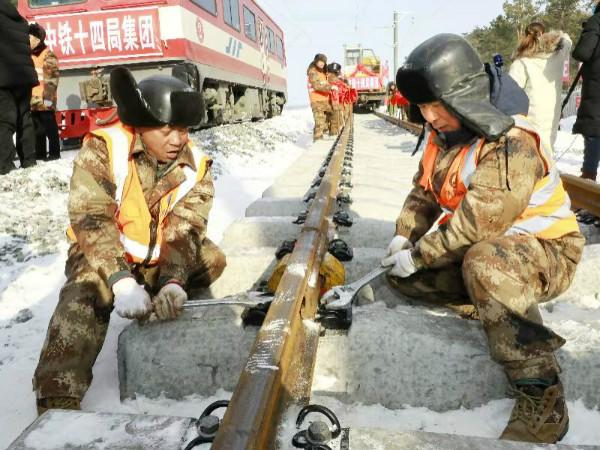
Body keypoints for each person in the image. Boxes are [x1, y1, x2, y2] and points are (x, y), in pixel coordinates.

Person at [388, 34, 583, 444]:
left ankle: (542, 393)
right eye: (421, 107)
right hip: (490, 248)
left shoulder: (513, 142)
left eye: (434, 106)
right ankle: (488, 297)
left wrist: (423, 252)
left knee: (483, 261)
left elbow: (480, 223)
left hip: (547, 251)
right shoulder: (447, 137)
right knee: (404, 279)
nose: (428, 117)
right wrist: (403, 238)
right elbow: (423, 192)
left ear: (464, 97)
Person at [33, 67, 226, 414]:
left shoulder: (196, 164)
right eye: (167, 130)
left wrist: (172, 282)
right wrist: (121, 281)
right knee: (89, 287)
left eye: (183, 130)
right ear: (142, 123)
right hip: (103, 252)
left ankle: (156, 298)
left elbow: (187, 228)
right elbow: (91, 219)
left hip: (153, 260)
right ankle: (57, 394)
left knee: (212, 258)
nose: (177, 140)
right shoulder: (105, 148)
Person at [509, 22, 572, 157]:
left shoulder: (521, 62)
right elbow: (567, 40)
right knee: (548, 150)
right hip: (552, 113)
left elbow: (510, 93)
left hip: (530, 117)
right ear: (543, 34)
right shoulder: (557, 56)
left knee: (531, 154)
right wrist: (554, 37)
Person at [0, 1, 37, 174]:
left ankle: (5, 164)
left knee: (5, 121)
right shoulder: (20, 20)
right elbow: (37, 34)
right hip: (24, 77)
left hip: (4, 77)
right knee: (25, 119)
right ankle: (29, 160)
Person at [572, 0, 600, 181]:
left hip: (597, 88)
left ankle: (588, 179)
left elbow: (582, 52)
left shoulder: (596, 21)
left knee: (595, 129)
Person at [28, 23, 61, 161]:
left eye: (29, 37)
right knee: (37, 129)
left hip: (45, 98)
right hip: (33, 99)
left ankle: (54, 154)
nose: (27, 40)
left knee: (50, 128)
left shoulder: (48, 54)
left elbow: (52, 79)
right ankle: (40, 154)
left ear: (37, 39)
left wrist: (48, 99)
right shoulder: (29, 55)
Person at [307, 53, 335, 141]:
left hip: (325, 100)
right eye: (320, 61)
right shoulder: (312, 72)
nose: (322, 63)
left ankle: (323, 137)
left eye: (324, 62)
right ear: (316, 62)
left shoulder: (322, 73)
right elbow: (316, 85)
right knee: (319, 122)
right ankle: (318, 140)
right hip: (317, 100)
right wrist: (330, 87)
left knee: (329, 119)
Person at [327, 62, 344, 135]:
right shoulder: (334, 79)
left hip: (331, 101)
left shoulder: (328, 77)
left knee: (333, 119)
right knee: (334, 120)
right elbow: (340, 90)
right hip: (333, 102)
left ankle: (333, 133)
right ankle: (333, 134)